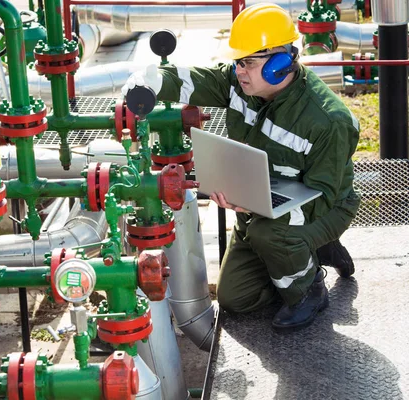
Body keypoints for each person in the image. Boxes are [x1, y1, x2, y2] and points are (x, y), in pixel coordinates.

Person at [121, 3, 360, 332]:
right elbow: (193, 81)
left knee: (269, 233)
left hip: (326, 205)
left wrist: (260, 208)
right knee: (235, 298)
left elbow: (324, 195)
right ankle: (307, 251)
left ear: (279, 64)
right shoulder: (240, 84)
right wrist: (151, 81)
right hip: (259, 203)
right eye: (237, 62)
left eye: (247, 62)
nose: (239, 71)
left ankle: (308, 291)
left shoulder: (328, 121)